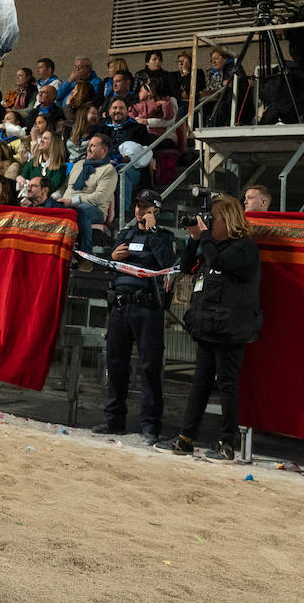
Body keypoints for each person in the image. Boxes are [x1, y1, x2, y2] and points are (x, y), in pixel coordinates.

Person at [159, 196, 261, 461]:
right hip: (208, 326)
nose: (210, 224)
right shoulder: (211, 245)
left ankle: (226, 443)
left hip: (230, 329)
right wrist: (195, 239)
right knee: (200, 384)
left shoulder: (244, 248)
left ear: (228, 220)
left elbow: (218, 262)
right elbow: (186, 267)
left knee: (227, 385)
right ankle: (185, 438)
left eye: (213, 219)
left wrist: (204, 237)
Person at [94, 189, 177, 445]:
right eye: (139, 206)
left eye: (147, 206)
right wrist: (111, 257)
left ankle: (150, 426)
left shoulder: (164, 236)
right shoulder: (125, 234)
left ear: (156, 210)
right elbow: (110, 264)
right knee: (116, 364)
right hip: (120, 306)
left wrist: (153, 232)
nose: (141, 210)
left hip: (147, 308)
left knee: (149, 367)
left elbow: (167, 262)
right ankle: (114, 420)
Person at [58, 133, 117, 268]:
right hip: (67, 204)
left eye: (93, 146)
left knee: (81, 211)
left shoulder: (109, 170)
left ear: (104, 150)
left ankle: (85, 256)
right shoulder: (78, 164)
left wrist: (72, 201)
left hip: (95, 210)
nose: (89, 148)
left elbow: (99, 198)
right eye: (89, 145)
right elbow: (66, 187)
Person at [18, 129, 66, 196]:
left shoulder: (60, 167)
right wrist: (20, 179)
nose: (41, 140)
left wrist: (30, 184)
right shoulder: (33, 161)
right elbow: (23, 176)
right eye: (41, 138)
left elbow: (51, 187)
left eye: (45, 138)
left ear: (54, 144)